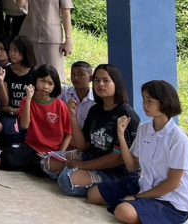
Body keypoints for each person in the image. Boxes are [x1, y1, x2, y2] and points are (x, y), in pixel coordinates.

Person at [89, 80, 188, 224]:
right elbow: (132, 166)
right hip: (145, 185)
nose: (145, 104)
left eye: (149, 101)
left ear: (164, 103)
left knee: (123, 211)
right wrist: (121, 134)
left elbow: (172, 184)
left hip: (171, 200)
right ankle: (138, 206)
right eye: (144, 99)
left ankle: (141, 207)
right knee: (93, 195)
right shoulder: (144, 129)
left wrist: (138, 197)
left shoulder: (178, 140)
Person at [48, 63, 140, 197]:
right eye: (97, 80)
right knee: (48, 162)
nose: (100, 84)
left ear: (116, 83)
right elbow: (83, 146)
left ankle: (107, 185)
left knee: (66, 180)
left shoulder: (126, 114)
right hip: (91, 156)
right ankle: (85, 177)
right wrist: (72, 116)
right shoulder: (95, 109)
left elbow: (118, 159)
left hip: (115, 170)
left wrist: (82, 165)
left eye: (106, 80)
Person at [1, 64, 72, 175]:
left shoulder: (60, 105)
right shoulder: (27, 101)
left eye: (50, 83)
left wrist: (58, 154)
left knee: (41, 167)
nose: (45, 86)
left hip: (51, 151)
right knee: (6, 158)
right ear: (35, 80)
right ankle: (33, 165)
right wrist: (29, 99)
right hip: (31, 147)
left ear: (55, 86)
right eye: (42, 81)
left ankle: (36, 165)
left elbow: (69, 134)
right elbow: (24, 125)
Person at [60, 61, 96, 129]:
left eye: (81, 74)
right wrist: (65, 109)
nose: (75, 78)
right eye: (73, 74)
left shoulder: (96, 99)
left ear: (91, 78)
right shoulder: (64, 93)